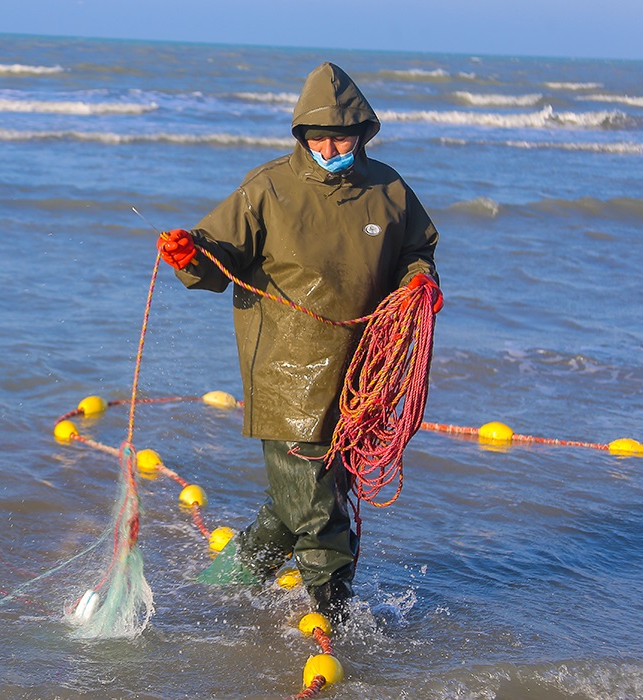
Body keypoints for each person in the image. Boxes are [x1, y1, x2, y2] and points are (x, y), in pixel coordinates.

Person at [157, 62, 441, 622]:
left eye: (344, 135)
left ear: (364, 131)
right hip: (286, 374)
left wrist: (419, 280)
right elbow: (220, 256)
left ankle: (220, 585)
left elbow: (418, 249)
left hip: (364, 374)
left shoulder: (388, 188)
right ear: (301, 135)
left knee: (297, 503)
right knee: (319, 514)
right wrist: (192, 255)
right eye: (320, 136)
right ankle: (335, 618)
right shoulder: (267, 188)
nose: (332, 146)